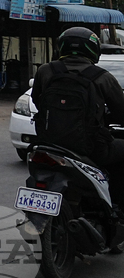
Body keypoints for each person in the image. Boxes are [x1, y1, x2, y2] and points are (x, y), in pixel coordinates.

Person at [32, 26, 124, 202]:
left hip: (49, 143)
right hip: (91, 148)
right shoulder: (102, 77)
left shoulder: (45, 71)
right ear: (93, 49)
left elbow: (38, 101)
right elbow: (121, 112)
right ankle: (116, 203)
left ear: (62, 47)